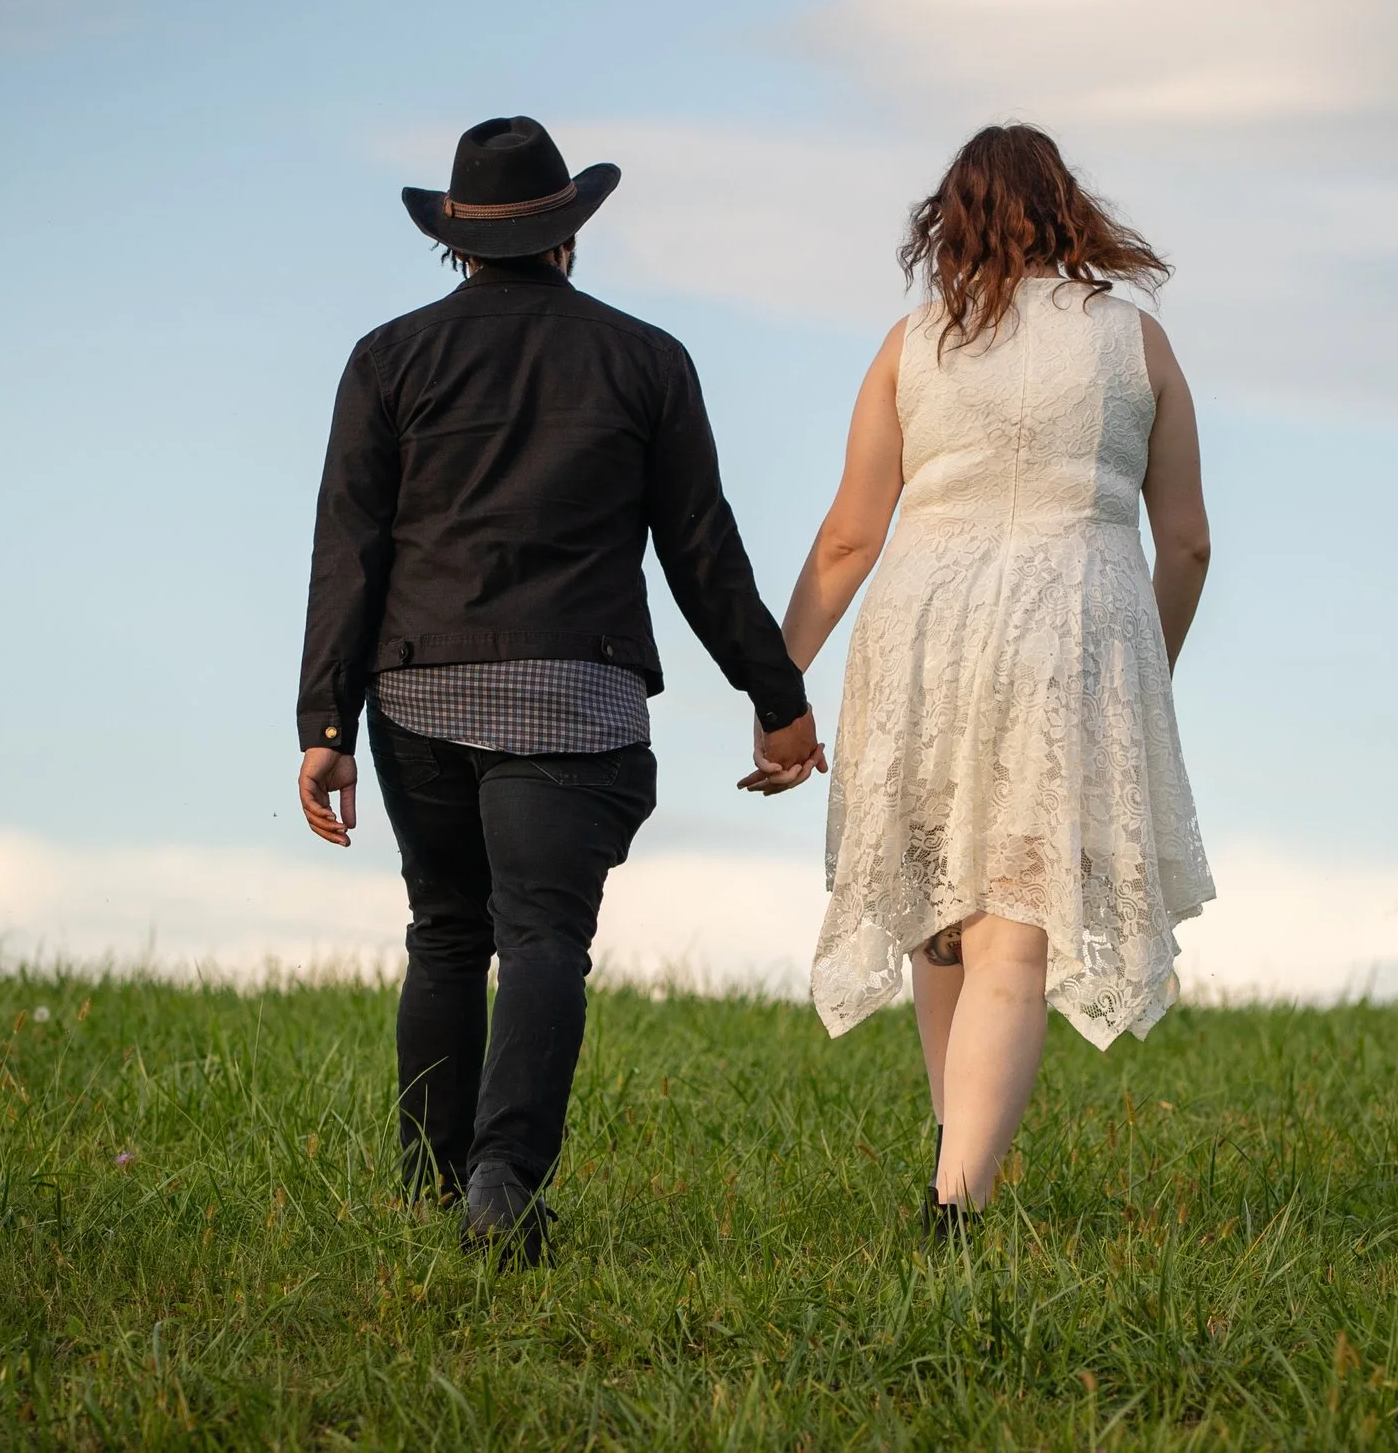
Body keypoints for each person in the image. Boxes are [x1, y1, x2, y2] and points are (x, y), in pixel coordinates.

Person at [295, 116, 822, 1264]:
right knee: (541, 939)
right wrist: (775, 696)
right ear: (567, 238)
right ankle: (503, 1178)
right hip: (574, 698)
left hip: (419, 690)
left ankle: (431, 1186)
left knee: (444, 931)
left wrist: (325, 723)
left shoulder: (388, 358)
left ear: (457, 245)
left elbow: (351, 547)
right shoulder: (645, 358)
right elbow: (700, 547)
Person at [784, 124, 1215, 1230]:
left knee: (944, 908)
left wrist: (775, 681)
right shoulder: (1135, 343)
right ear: (1069, 211)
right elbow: (1190, 543)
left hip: (925, 630)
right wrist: (1140, 674)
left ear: (951, 219)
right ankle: (956, 1192)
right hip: (1072, 630)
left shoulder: (910, 344)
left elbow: (847, 539)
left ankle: (953, 1178)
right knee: (1014, 921)